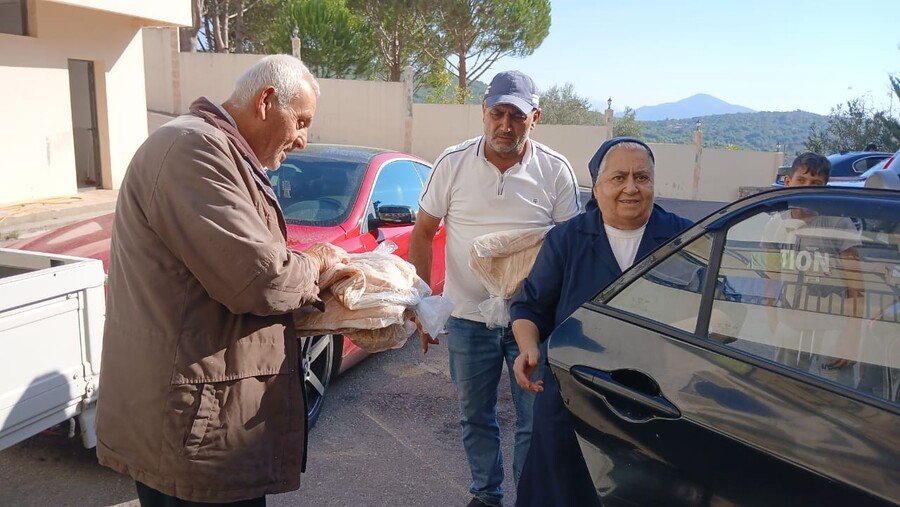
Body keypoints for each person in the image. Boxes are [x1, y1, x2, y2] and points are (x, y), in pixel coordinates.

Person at [95, 55, 349, 506]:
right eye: (302, 122)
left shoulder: (213, 149)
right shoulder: (193, 149)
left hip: (196, 422)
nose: (304, 140)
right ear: (267, 101)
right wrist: (317, 264)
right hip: (191, 431)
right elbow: (261, 279)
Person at [409, 70, 580, 507]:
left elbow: (570, 249)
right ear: (484, 112)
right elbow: (423, 232)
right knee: (474, 416)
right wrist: (424, 306)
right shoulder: (453, 162)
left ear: (535, 118)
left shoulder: (555, 171)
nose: (506, 125)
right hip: (467, 319)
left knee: (533, 419)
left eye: (517, 116)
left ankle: (528, 497)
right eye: (498, 113)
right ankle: (486, 495)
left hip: (533, 322)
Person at [509, 137, 693, 506]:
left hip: (655, 401)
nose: (631, 188)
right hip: (573, 397)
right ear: (596, 187)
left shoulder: (685, 238)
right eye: (618, 177)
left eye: (642, 177)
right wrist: (529, 348)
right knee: (564, 492)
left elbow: (725, 307)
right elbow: (530, 308)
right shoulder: (568, 240)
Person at [762, 152, 863, 386]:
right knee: (785, 391)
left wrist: (852, 336)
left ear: (825, 187)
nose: (807, 187)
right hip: (790, 327)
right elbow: (771, 278)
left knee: (837, 394)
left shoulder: (838, 224)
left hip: (832, 329)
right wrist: (774, 323)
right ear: (788, 182)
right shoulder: (776, 225)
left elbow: (857, 285)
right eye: (801, 180)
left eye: (816, 183)